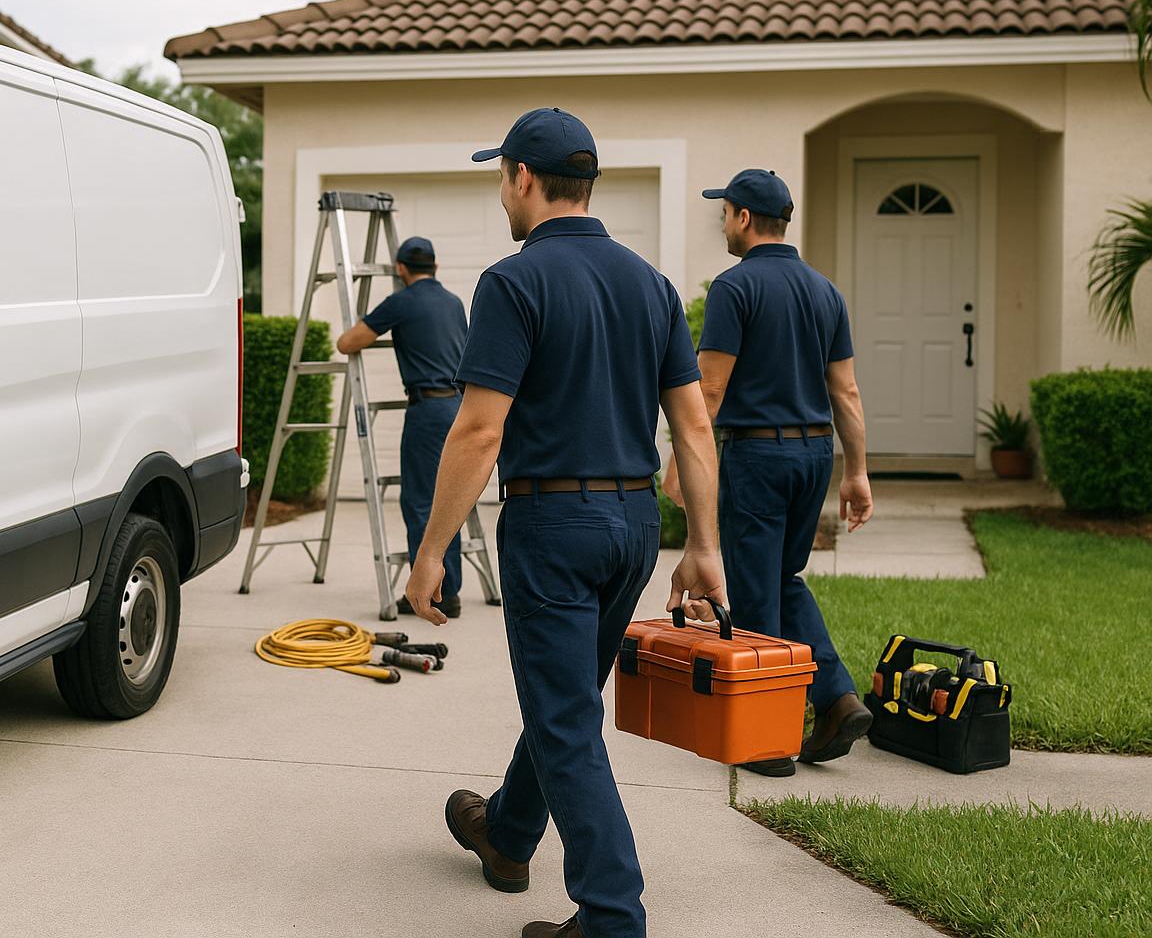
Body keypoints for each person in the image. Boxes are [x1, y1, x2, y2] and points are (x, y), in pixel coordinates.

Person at [402, 107, 726, 938]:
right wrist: (704, 547)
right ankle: (508, 835)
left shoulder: (514, 282)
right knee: (568, 699)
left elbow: (478, 430)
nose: (500, 192)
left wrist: (432, 550)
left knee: (564, 718)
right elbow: (692, 427)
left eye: (499, 176)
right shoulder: (651, 284)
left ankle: (613, 915)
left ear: (522, 178)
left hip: (553, 525)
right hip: (630, 524)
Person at [661, 168, 876, 779]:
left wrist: (682, 461)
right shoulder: (825, 291)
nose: (722, 224)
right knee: (781, 576)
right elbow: (848, 391)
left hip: (757, 455)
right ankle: (835, 699)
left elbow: (710, 387)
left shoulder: (734, 288)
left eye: (725, 213)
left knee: (755, 589)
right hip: (814, 454)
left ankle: (768, 740)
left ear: (745, 218)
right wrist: (855, 473)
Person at [336, 237, 470, 617]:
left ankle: (435, 593)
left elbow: (348, 343)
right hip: (458, 407)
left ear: (400, 269)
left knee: (421, 502)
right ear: (436, 267)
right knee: (450, 500)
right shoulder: (453, 302)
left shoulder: (402, 302)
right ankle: (452, 587)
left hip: (427, 412)